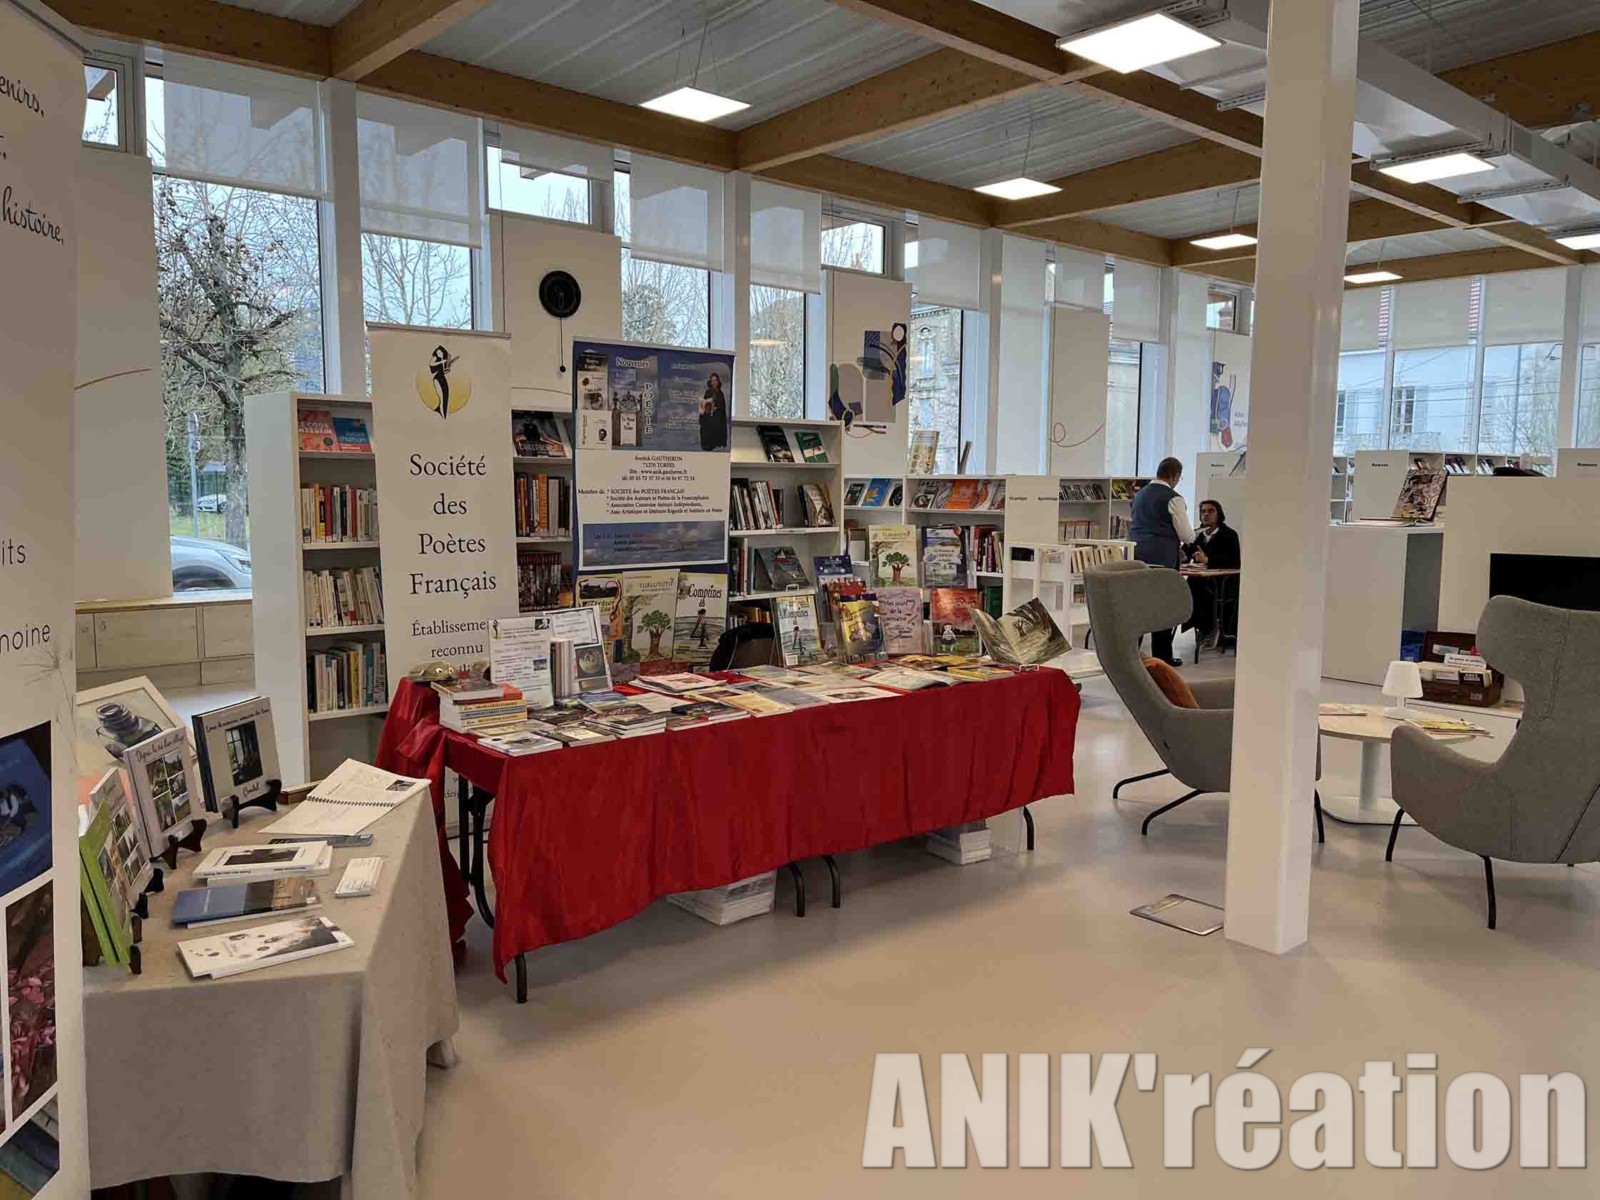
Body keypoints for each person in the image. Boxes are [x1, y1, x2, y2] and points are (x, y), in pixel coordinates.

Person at [1127, 457, 1194, 666]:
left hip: (1136, 557)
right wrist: (1193, 537)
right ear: (1175, 475)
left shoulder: (1140, 495)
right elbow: (1185, 535)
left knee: (1138, 607)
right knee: (1163, 608)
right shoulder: (1174, 499)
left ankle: (1131, 656)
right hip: (1162, 560)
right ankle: (1162, 656)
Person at [1183, 499, 1241, 650]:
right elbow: (1184, 555)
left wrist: (1208, 560)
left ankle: (1210, 629)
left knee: (1202, 590)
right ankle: (1203, 628)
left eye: (1210, 511)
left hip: (1223, 582)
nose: (1206, 514)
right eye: (1203, 511)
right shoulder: (1197, 535)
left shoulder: (1229, 535)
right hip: (1201, 580)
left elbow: (1235, 561)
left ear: (1218, 514)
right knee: (1188, 588)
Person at [699, 372, 729, 451]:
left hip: (717, 419)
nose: (713, 382)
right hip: (708, 416)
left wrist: (715, 408)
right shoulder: (708, 392)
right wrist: (705, 407)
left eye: (715, 380)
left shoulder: (720, 394)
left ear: (718, 382)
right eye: (712, 381)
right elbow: (704, 403)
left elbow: (722, 408)